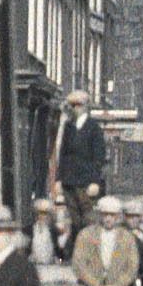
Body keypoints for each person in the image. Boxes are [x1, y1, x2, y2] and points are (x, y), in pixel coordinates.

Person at [71, 195, 138, 286]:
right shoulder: (86, 235)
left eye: (112, 215)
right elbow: (78, 264)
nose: (108, 218)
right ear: (99, 214)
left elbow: (132, 268)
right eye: (105, 214)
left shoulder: (127, 238)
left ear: (119, 216)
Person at [55, 88, 108, 239]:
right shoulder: (68, 127)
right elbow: (62, 154)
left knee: (88, 219)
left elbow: (99, 158)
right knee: (74, 219)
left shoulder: (94, 128)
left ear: (85, 106)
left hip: (85, 183)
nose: (72, 108)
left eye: (76, 105)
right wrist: (59, 178)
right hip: (69, 182)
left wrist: (95, 181)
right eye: (71, 105)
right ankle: (74, 253)